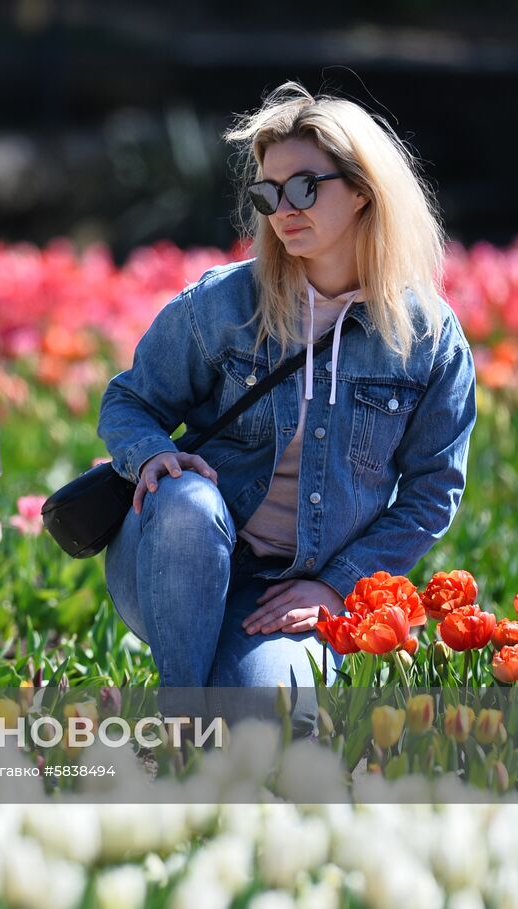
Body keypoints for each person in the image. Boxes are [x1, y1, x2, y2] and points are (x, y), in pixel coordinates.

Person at [97, 84, 476, 699]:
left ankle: (219, 687)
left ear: (361, 190)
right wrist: (151, 455)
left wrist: (337, 585)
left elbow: (434, 491)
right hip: (177, 554)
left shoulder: (427, 339)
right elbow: (130, 401)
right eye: (268, 193)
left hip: (296, 586)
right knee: (187, 500)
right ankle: (181, 720)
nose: (283, 209)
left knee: (268, 718)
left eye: (304, 187)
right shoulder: (224, 306)